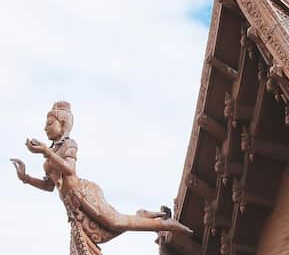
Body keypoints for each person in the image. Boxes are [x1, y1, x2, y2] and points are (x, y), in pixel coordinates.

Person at [12, 102, 191, 244]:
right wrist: (26, 178)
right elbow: (50, 186)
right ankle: (142, 216)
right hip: (72, 204)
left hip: (83, 194)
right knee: (110, 226)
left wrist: (46, 152)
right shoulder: (50, 154)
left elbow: (69, 169)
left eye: (50, 123)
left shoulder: (69, 144)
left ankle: (164, 224)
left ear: (63, 124)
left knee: (114, 223)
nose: (45, 128)